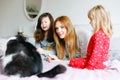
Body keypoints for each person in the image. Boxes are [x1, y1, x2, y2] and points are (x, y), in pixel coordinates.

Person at [69, 5, 113, 70]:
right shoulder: (103, 33)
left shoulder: (99, 35)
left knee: (72, 62)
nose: (90, 22)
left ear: (98, 20)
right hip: (101, 62)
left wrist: (89, 67)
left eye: (91, 20)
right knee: (75, 60)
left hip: (97, 63)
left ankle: (94, 66)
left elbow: (96, 53)